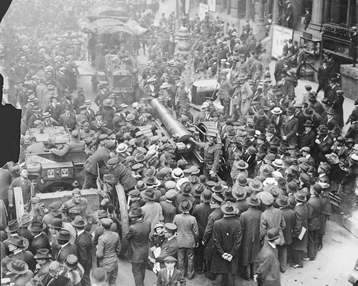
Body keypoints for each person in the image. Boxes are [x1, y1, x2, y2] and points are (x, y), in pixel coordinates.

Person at [211, 201, 242, 286]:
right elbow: (238, 241)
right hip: (232, 256)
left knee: (220, 275)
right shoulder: (237, 223)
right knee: (231, 276)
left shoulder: (217, 223)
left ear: (223, 211)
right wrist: (231, 254)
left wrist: (222, 253)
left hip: (220, 255)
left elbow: (215, 240)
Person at [173, 200, 199, 280]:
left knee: (180, 258)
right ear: (189, 208)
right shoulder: (193, 218)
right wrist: (196, 241)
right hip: (190, 241)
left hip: (179, 240)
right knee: (190, 258)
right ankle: (190, 274)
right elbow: (196, 232)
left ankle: (181, 275)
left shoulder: (177, 217)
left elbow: (173, 228)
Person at [125, 208, 151, 286]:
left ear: (135, 218)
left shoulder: (132, 228)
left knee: (137, 273)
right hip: (145, 252)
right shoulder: (148, 223)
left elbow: (127, 237)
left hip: (136, 255)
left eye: (132, 217)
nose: (131, 218)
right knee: (142, 271)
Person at [239, 194, 262, 280]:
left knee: (246, 256)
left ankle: (247, 275)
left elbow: (241, 229)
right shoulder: (260, 213)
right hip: (257, 237)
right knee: (255, 255)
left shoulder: (243, 215)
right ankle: (254, 273)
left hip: (246, 238)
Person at [96, 218, 121, 286]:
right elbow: (118, 249)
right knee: (113, 281)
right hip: (115, 262)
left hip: (106, 263)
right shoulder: (116, 235)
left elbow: (99, 255)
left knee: (105, 282)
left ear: (102, 226)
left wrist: (97, 248)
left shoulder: (101, 238)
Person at [72, 216, 92, 286]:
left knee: (86, 282)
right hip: (89, 260)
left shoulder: (81, 241)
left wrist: (80, 268)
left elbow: (83, 257)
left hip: (84, 265)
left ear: (75, 227)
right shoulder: (87, 234)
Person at [290, 191, 308, 268]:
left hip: (300, 229)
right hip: (304, 227)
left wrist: (296, 233)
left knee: (297, 246)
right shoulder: (304, 206)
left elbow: (298, 223)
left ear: (296, 199)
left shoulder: (297, 209)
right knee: (300, 245)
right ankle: (298, 260)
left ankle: (298, 263)